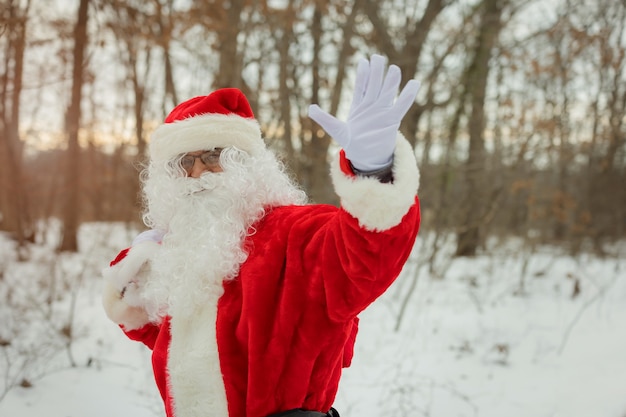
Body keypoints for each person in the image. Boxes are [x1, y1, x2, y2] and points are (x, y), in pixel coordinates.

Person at [101, 54, 421, 417]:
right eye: (183, 163)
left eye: (212, 156)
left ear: (246, 163)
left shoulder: (295, 235)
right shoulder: (185, 253)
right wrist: (138, 271)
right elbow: (178, 342)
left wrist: (374, 171)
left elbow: (366, 255)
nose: (197, 174)